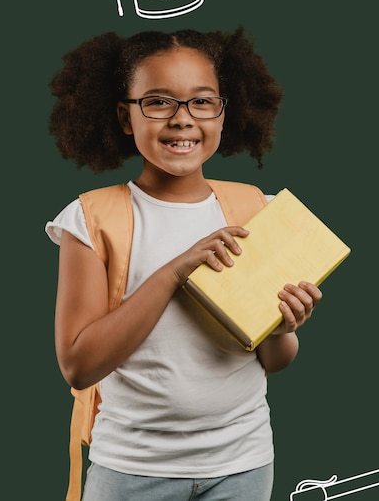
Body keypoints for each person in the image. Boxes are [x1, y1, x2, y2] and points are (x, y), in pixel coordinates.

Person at [45, 27, 322, 501]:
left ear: (223, 113)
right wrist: (176, 273)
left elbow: (272, 362)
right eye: (157, 102)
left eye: (201, 101)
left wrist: (281, 328)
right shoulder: (92, 219)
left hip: (243, 464)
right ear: (125, 117)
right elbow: (78, 365)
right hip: (133, 469)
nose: (181, 120)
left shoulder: (257, 208)